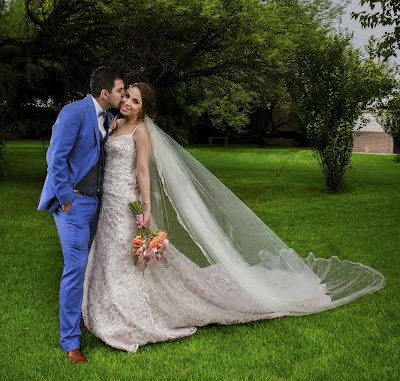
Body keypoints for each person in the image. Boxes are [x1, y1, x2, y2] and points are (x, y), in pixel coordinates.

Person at [82, 82, 385, 354]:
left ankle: (132, 311)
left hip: (128, 202)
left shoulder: (141, 131)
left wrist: (146, 206)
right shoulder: (115, 123)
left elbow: (143, 171)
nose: (128, 104)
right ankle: (107, 303)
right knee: (110, 250)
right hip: (108, 200)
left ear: (143, 108)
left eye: (135, 102)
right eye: (127, 98)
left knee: (129, 254)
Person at [38, 67, 124, 365]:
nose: (123, 95)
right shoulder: (73, 113)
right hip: (73, 203)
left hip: (97, 202)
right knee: (75, 269)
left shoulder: (107, 118)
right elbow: (55, 157)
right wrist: (64, 199)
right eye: (120, 91)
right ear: (105, 93)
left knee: (90, 265)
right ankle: (71, 343)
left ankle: (96, 319)